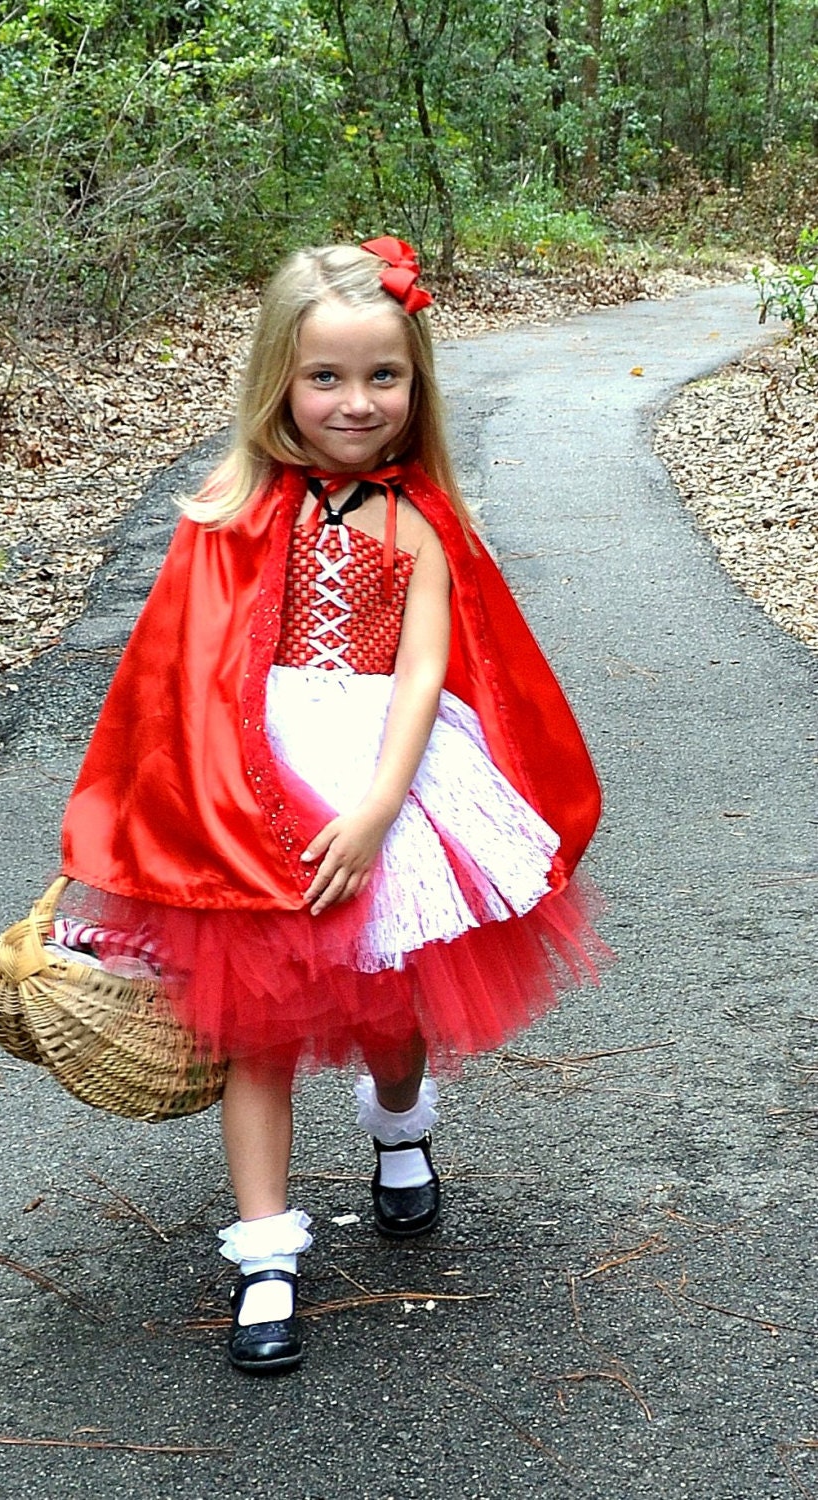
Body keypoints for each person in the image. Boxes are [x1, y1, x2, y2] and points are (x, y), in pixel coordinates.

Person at [59, 237, 605, 1375]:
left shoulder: (421, 522)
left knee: (393, 1003)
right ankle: (265, 1255)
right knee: (254, 1024)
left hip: (382, 781)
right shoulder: (226, 512)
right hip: (246, 792)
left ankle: (398, 1131)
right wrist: (139, 839)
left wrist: (374, 809)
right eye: (326, 377)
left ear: (416, 385)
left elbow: (424, 673)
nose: (356, 403)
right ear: (279, 380)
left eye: (383, 377)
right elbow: (168, 686)